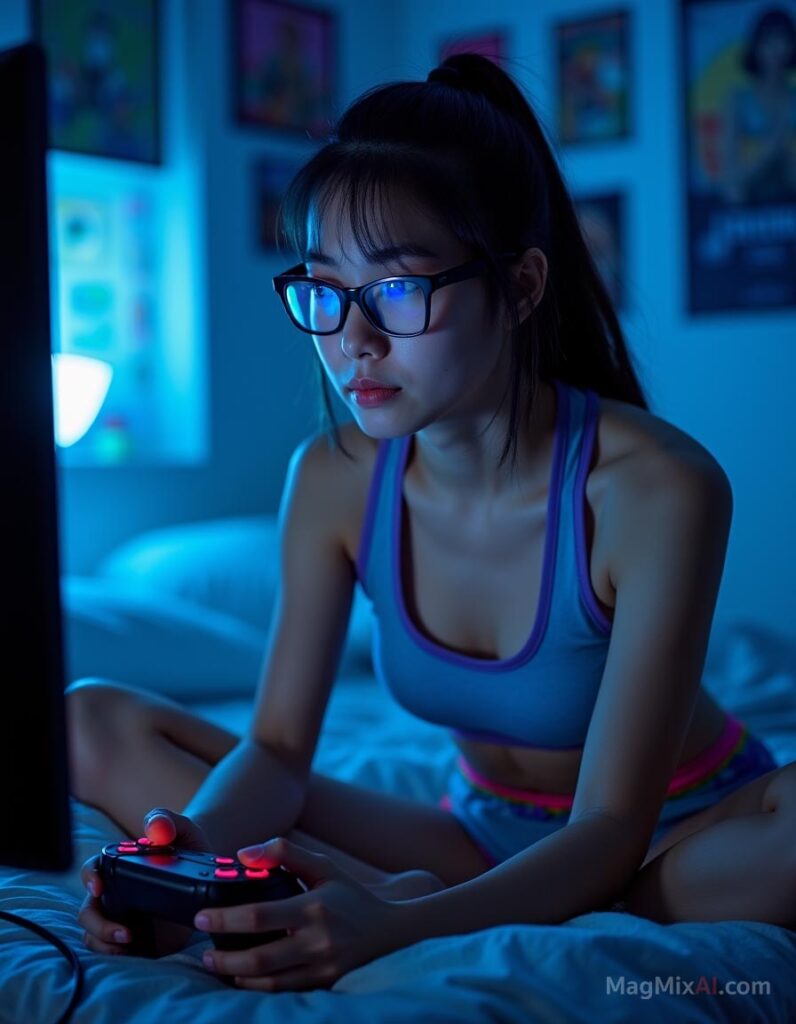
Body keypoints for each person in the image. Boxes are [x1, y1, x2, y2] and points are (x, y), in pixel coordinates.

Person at [68, 53, 796, 992]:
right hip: (475, 835)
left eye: (402, 290)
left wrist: (402, 921)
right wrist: (184, 858)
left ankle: (468, 909)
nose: (353, 340)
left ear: (523, 287)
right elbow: (280, 751)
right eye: (325, 291)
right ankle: (461, 902)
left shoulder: (655, 486)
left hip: (673, 841)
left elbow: (611, 827)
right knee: (89, 717)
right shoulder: (332, 478)